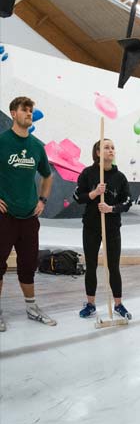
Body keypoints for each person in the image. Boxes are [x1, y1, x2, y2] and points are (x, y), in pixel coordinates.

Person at [0, 97, 57, 330]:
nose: (29, 113)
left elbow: (48, 175)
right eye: (24, 110)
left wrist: (43, 200)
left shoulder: (36, 146)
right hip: (4, 217)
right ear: (13, 113)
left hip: (29, 218)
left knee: (28, 264)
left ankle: (32, 307)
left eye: (31, 110)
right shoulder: (2, 142)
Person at [74, 138, 132, 320]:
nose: (111, 150)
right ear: (98, 152)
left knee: (113, 267)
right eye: (106, 147)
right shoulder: (88, 173)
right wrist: (94, 193)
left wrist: (111, 209)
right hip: (91, 227)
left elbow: (128, 201)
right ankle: (90, 304)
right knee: (91, 266)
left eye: (113, 147)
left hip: (112, 228)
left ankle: (118, 304)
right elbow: (77, 196)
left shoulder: (120, 177)